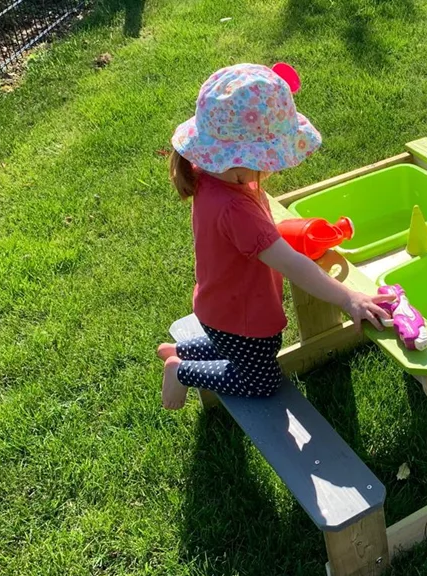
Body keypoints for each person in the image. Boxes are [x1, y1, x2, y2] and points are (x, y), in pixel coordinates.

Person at [157, 63, 391, 409]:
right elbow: (292, 265)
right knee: (261, 379)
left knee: (226, 344)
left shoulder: (207, 175)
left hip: (219, 309)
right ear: (240, 160)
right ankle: (181, 371)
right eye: (267, 158)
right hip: (245, 319)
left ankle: (179, 349)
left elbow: (257, 240)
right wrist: (348, 299)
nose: (271, 167)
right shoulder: (237, 209)